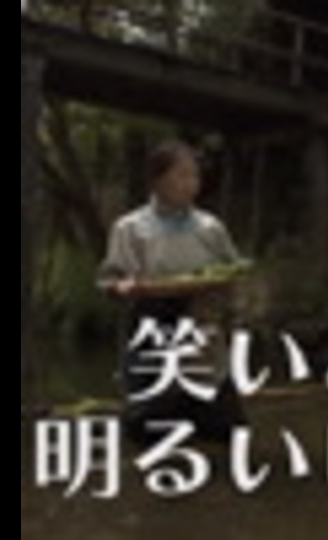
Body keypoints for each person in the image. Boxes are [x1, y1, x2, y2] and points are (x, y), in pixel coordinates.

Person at [99, 140, 248, 447]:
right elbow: (111, 279)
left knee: (226, 429)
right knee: (148, 427)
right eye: (182, 175)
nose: (191, 183)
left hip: (200, 321)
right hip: (151, 322)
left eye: (195, 176)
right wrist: (124, 287)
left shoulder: (210, 227)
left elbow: (232, 270)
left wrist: (223, 295)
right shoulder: (130, 228)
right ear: (157, 180)